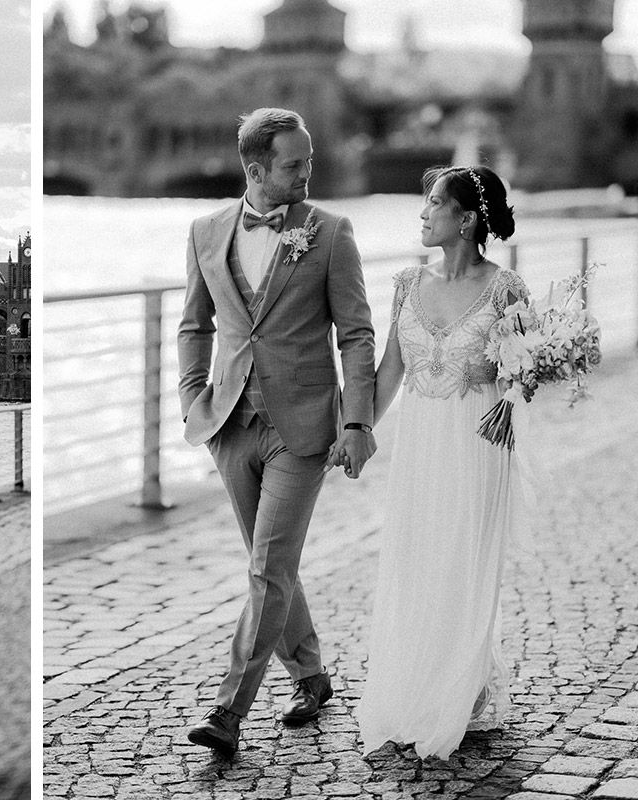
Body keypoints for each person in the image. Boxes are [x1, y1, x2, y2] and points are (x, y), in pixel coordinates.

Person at [179, 107, 377, 759]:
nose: (308, 173)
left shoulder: (330, 232)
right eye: (295, 165)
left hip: (304, 429)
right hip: (231, 425)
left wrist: (356, 421)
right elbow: (194, 326)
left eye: (311, 160)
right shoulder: (205, 232)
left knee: (268, 567)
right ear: (256, 169)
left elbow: (355, 332)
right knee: (273, 566)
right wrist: (191, 400)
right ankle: (312, 677)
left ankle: (229, 711)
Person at [354, 165, 528, 760]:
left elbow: (522, 370)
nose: (422, 214)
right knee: (418, 555)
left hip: (478, 442)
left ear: (467, 219)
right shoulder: (407, 283)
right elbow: (388, 376)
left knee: (463, 558)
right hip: (421, 444)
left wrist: (511, 397)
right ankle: (418, 684)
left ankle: (464, 688)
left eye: (433, 203)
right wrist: (354, 435)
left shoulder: (507, 291)